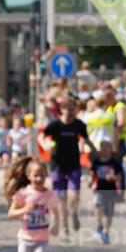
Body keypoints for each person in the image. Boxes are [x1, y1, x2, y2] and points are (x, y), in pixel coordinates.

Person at [43, 99, 96, 240]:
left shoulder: (79, 124)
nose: (72, 113)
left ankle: (74, 213)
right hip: (57, 165)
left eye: (74, 110)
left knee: (74, 196)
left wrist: (96, 153)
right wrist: (46, 145)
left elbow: (87, 139)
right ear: (62, 110)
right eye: (69, 110)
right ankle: (64, 226)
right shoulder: (54, 125)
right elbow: (42, 136)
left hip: (73, 164)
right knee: (61, 197)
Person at [90, 139, 122, 245]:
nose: (105, 150)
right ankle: (99, 226)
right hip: (99, 188)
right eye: (103, 148)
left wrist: (113, 177)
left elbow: (119, 177)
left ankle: (106, 232)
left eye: (107, 148)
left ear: (110, 150)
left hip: (111, 190)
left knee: (109, 213)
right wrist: (92, 183)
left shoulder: (115, 163)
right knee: (97, 206)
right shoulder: (96, 162)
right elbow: (93, 175)